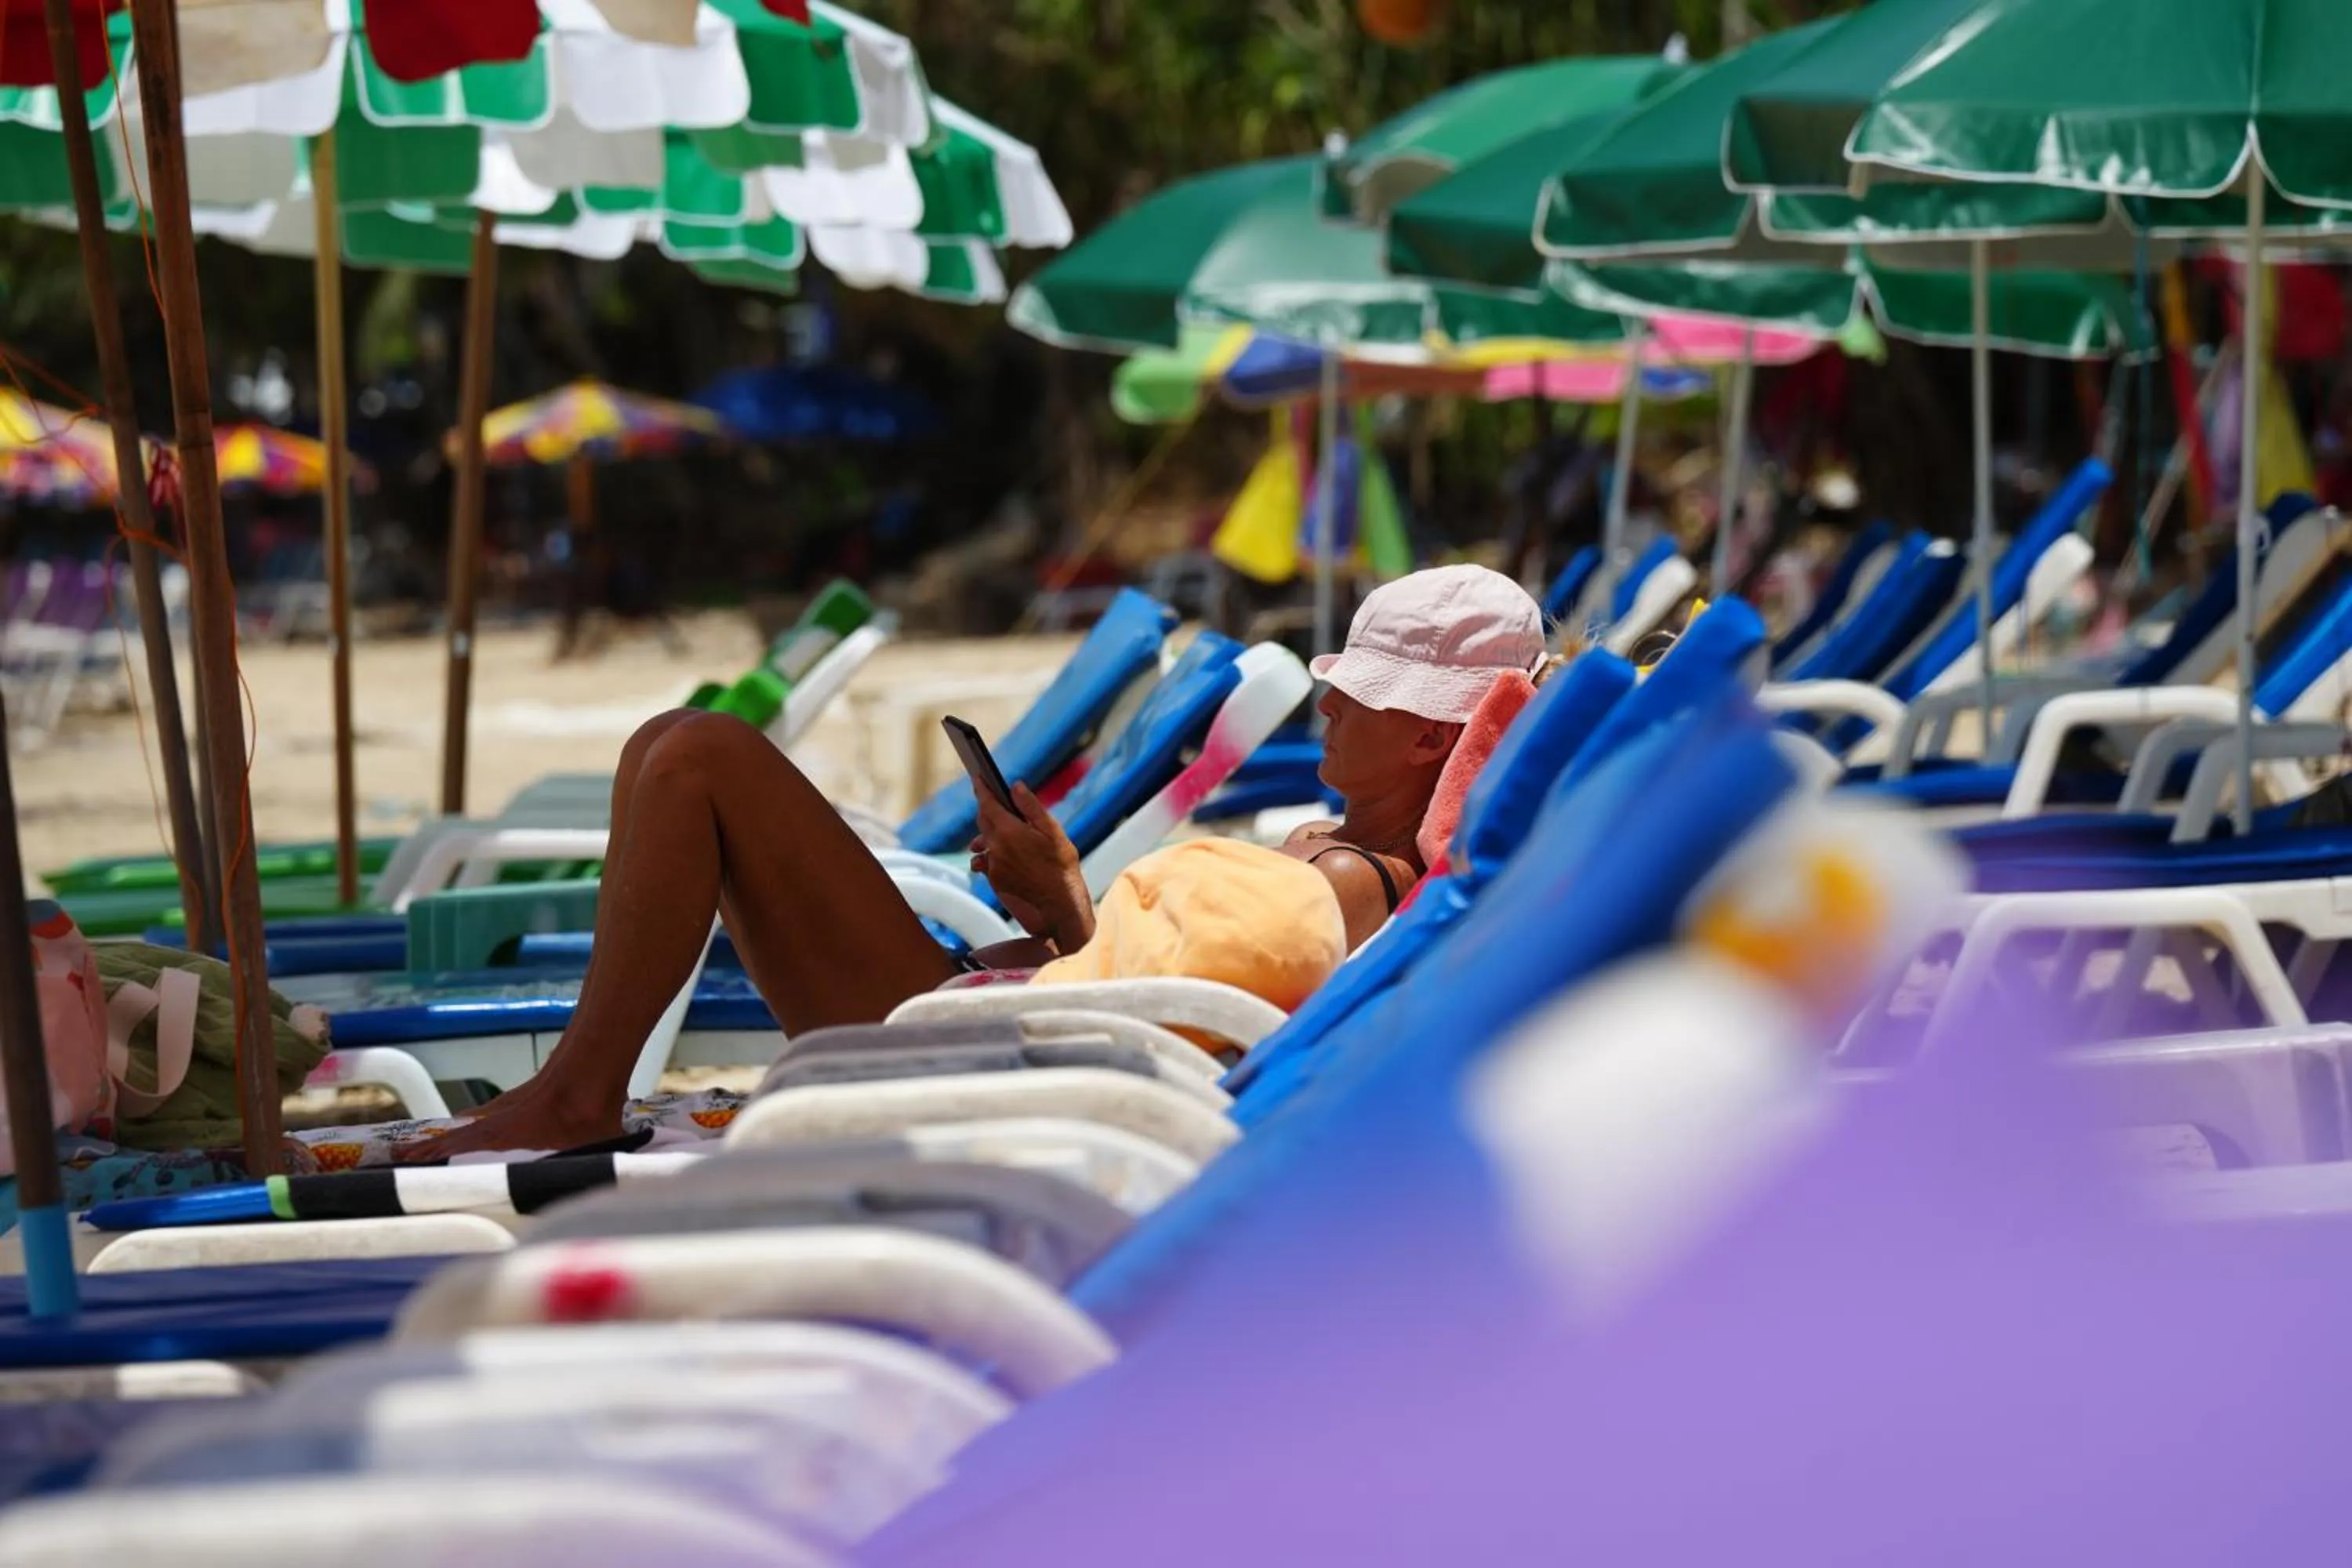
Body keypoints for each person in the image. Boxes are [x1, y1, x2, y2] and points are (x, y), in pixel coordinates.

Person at [417, 564, 1548, 1158]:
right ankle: (576, 1088)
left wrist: (1060, 924)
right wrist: (1061, 901)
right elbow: (1164, 993)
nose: (1332, 701)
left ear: (1426, 735)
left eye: (1357, 692)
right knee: (674, 746)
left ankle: (576, 1096)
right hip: (1004, 1015)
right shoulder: (1333, 856)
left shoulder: (1354, 887)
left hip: (976, 1058)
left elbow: (1165, 1034)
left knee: (697, 759)